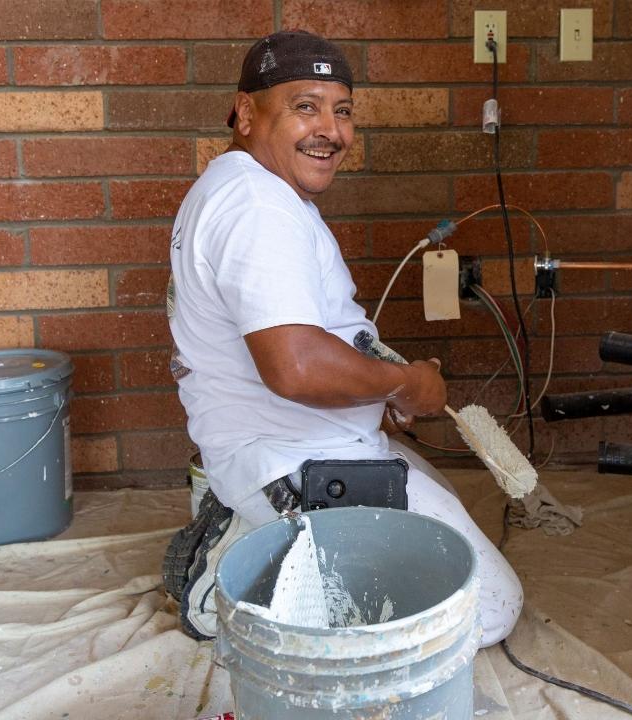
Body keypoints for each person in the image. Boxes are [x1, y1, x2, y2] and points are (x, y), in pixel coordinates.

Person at [161, 30, 521, 646]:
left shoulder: (256, 189)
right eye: (305, 106)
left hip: (299, 440)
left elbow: (309, 342)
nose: (330, 129)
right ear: (246, 112)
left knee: (441, 508)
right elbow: (296, 367)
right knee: (487, 610)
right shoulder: (259, 209)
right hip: (289, 461)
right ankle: (230, 580)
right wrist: (407, 383)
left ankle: (260, 530)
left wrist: (377, 396)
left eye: (343, 110)